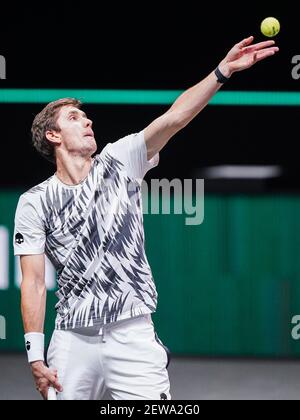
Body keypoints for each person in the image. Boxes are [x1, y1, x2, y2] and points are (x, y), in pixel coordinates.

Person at [13, 36, 279, 400]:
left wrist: (223, 71)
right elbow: (33, 283)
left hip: (132, 335)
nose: (88, 121)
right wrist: (34, 356)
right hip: (72, 339)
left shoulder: (120, 161)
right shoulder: (34, 202)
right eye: (75, 117)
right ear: (53, 134)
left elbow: (175, 117)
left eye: (87, 116)